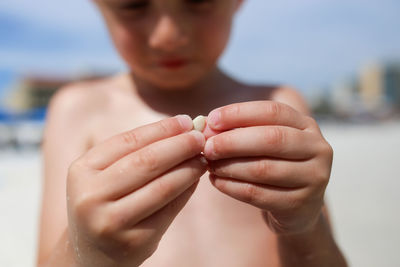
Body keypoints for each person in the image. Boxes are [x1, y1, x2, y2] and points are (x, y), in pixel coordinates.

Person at [37, 0, 347, 266]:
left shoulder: (280, 103)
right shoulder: (77, 110)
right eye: (133, 5)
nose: (167, 36)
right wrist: (85, 254)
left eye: (197, 1)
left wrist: (304, 227)